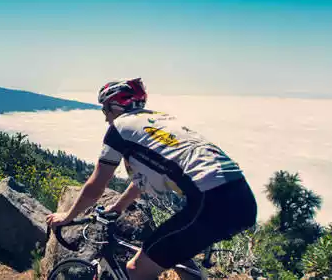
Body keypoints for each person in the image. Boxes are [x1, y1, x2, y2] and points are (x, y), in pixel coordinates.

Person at [46, 78, 257, 279]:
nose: (105, 117)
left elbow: (97, 185)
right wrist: (118, 207)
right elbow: (142, 181)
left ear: (114, 106)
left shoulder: (119, 128)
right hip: (241, 196)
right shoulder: (160, 120)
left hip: (210, 200)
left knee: (136, 269)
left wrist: (67, 216)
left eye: (105, 109)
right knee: (171, 256)